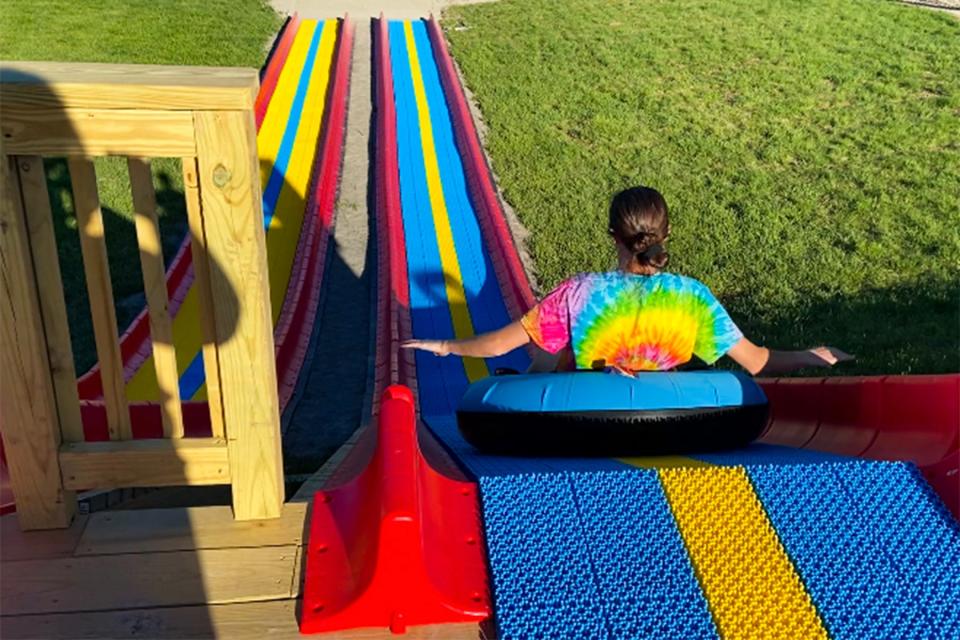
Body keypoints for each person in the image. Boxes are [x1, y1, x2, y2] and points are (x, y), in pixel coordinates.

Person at [402, 186, 852, 376]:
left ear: (613, 236)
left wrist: (444, 346)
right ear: (666, 234)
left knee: (543, 349)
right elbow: (756, 362)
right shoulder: (690, 298)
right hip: (661, 421)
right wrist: (815, 356)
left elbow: (499, 344)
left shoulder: (580, 292)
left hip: (583, 423)